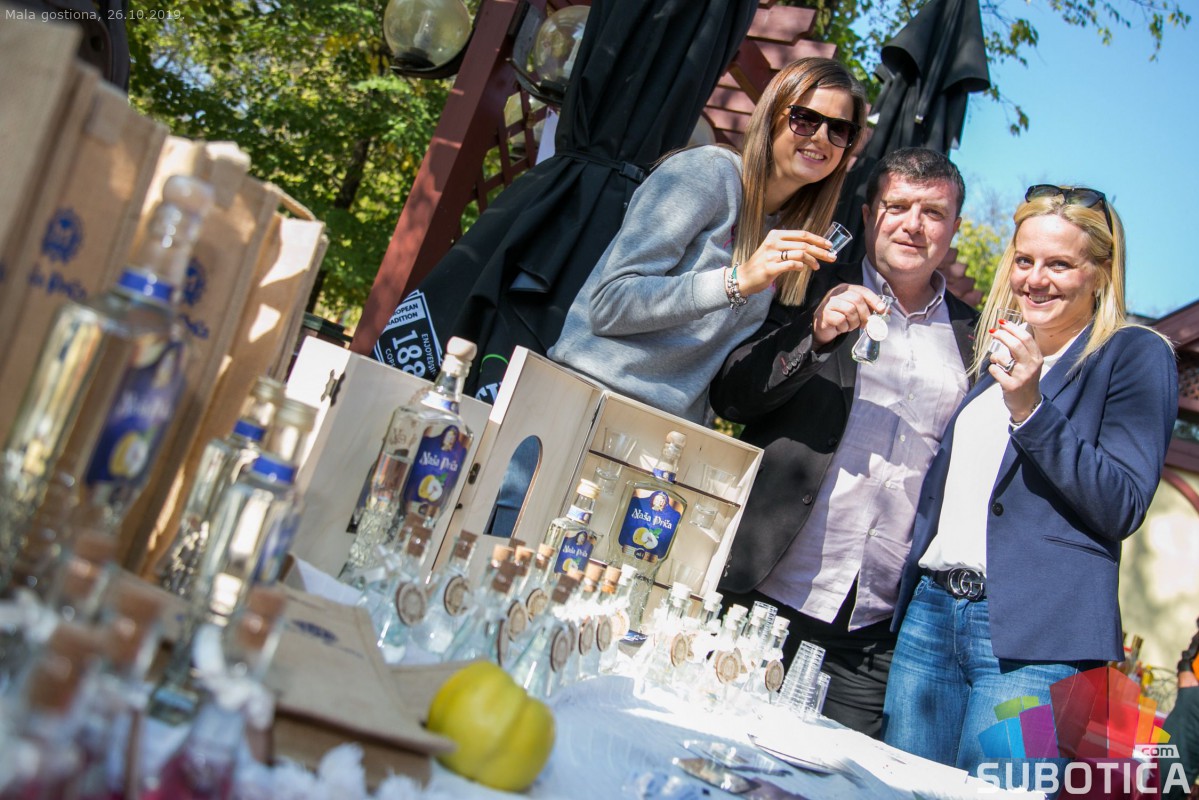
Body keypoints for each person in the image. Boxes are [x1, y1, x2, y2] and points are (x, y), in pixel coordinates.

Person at [881, 185, 1178, 781]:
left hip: (1040, 642)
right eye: (1024, 260)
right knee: (895, 789)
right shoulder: (1000, 354)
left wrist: (1032, 409)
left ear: (1100, 273)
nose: (1035, 279)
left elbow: (1122, 503)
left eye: (1059, 264)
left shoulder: (1134, 355)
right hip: (932, 615)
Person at [709, 147, 979, 737]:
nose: (913, 225)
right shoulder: (806, 283)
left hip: (872, 630)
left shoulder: (974, 337)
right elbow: (731, 396)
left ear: (954, 228)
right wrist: (815, 335)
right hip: (764, 587)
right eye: (897, 206)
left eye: (933, 213)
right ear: (868, 214)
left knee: (838, 776)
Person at [547, 56, 867, 425]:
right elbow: (608, 305)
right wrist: (736, 282)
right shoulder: (709, 173)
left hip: (667, 430)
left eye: (839, 129)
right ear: (772, 115)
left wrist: (816, 330)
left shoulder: (790, 236)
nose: (821, 137)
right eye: (806, 119)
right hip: (584, 397)